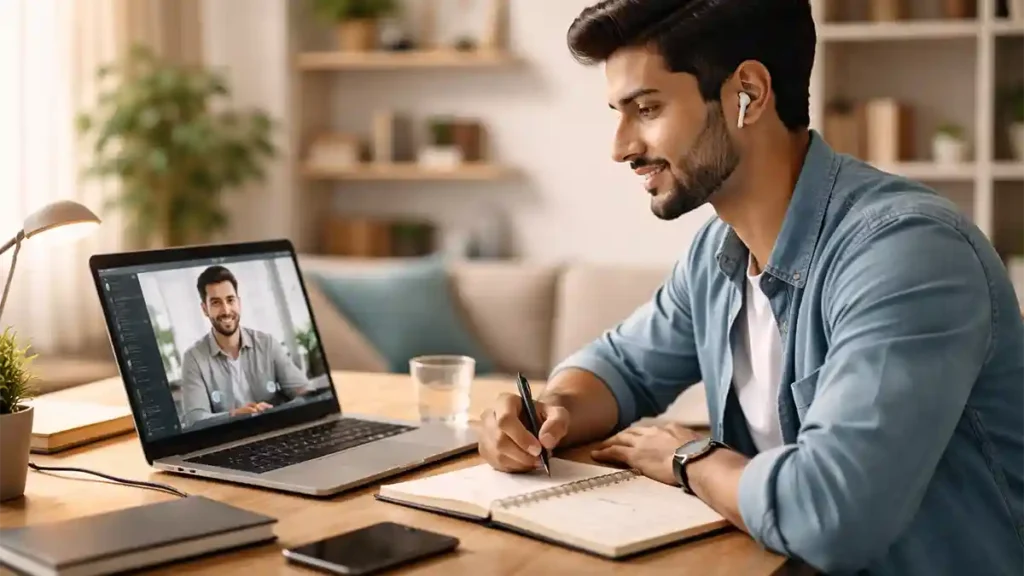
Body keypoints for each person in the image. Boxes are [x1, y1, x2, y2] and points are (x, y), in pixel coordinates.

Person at [477, 1, 1024, 575]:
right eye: (619, 112)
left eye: (648, 108)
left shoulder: (905, 252)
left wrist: (692, 458)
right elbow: (624, 367)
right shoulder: (718, 254)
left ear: (750, 93)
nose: (621, 147)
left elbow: (832, 513)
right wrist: (549, 412)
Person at [178, 265, 314, 428]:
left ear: (239, 302)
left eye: (230, 300)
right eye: (216, 303)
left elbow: (304, 392)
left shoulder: (267, 343)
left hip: (275, 430)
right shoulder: (193, 358)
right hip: (228, 442)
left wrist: (281, 410)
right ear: (205, 309)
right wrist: (234, 415)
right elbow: (194, 419)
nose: (226, 310)